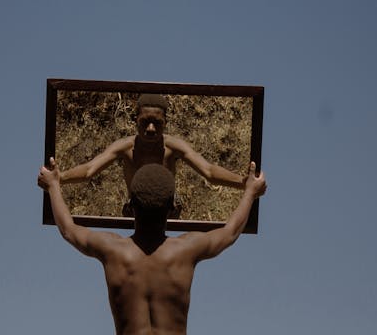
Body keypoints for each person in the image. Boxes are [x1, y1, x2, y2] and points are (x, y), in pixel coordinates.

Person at [38, 158, 267, 335]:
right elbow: (230, 232)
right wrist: (249, 192)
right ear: (172, 208)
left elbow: (68, 229)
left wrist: (54, 185)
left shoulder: (112, 250)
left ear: (129, 207)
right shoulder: (186, 250)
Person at [59, 93, 246, 216]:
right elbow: (89, 170)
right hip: (136, 208)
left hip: (167, 208)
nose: (150, 128)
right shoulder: (124, 147)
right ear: (135, 121)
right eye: (145, 122)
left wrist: (244, 183)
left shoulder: (173, 147)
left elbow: (209, 171)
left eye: (156, 123)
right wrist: (59, 178)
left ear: (165, 122)